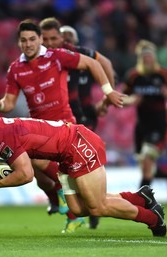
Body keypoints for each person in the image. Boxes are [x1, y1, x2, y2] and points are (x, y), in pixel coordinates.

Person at [0, 19, 124, 233]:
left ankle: (64, 194)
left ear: (40, 39)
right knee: (39, 176)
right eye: (23, 40)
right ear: (19, 43)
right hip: (37, 127)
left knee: (37, 163)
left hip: (63, 125)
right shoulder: (15, 69)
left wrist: (108, 92)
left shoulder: (56, 56)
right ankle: (66, 207)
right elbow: (10, 103)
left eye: (33, 39)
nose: (28, 44)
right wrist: (0, 104)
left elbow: (94, 63)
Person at [0, 112, 167, 237]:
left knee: (96, 206)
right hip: (66, 154)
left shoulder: (3, 135)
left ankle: (153, 219)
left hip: (78, 144)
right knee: (77, 209)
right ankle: (140, 198)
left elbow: (26, 174)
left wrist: (0, 183)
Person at [39, 17, 116, 229]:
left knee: (81, 165)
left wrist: (107, 98)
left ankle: (89, 207)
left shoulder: (78, 54)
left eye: (60, 38)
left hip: (85, 117)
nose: (54, 42)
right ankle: (64, 201)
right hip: (62, 118)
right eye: (48, 39)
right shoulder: (47, 58)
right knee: (53, 165)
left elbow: (106, 63)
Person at [122, 39, 167, 195]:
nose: (147, 60)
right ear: (140, 59)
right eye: (144, 57)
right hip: (141, 126)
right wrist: (131, 100)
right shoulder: (133, 76)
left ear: (154, 58)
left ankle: (142, 199)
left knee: (147, 158)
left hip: (158, 125)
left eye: (150, 56)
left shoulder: (165, 75)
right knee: (146, 165)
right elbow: (122, 99)